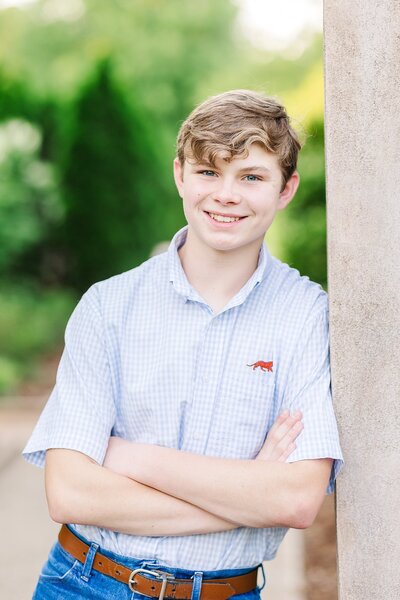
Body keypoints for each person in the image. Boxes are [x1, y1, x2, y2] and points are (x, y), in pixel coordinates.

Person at [23, 89, 343, 599]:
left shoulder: (307, 316)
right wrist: (245, 494)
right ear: (180, 175)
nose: (226, 195)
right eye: (209, 172)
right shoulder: (108, 307)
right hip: (84, 584)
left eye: (252, 177)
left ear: (286, 189)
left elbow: (296, 500)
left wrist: (130, 458)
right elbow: (69, 492)